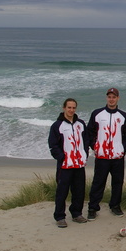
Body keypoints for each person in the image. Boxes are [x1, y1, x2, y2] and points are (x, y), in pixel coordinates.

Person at [87, 88, 126, 220]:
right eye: (109, 97)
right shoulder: (97, 114)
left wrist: (122, 149)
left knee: (117, 182)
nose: (111, 99)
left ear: (118, 98)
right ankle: (93, 208)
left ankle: (115, 206)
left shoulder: (124, 116)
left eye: (114, 97)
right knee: (98, 182)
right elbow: (89, 132)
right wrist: (95, 147)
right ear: (107, 98)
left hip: (117, 157)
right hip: (102, 156)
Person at [48, 98, 89, 228]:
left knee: (79, 190)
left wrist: (84, 155)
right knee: (62, 191)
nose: (71, 110)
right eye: (69, 107)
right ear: (64, 108)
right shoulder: (57, 125)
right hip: (65, 165)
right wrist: (62, 158)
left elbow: (86, 142)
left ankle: (76, 213)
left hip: (79, 165)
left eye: (73, 108)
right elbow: (53, 145)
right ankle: (60, 216)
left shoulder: (81, 124)